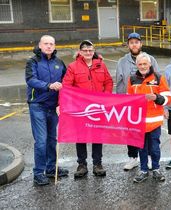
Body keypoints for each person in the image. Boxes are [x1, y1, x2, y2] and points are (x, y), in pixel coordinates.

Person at [62, 40, 113, 177]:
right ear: (80, 52)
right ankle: (82, 165)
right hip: (80, 108)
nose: (88, 52)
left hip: (97, 108)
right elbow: (66, 86)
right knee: (81, 136)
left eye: (90, 50)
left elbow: (108, 82)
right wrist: (65, 104)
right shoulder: (73, 67)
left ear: (94, 50)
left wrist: (106, 97)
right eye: (85, 50)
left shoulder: (101, 65)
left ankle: (97, 164)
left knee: (97, 136)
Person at [25, 35, 69, 186]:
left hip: (53, 107)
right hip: (37, 106)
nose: (49, 46)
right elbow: (31, 80)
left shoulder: (59, 62)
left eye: (51, 44)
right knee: (41, 141)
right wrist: (48, 85)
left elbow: (67, 81)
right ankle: (38, 173)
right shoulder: (33, 61)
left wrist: (62, 101)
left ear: (55, 46)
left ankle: (51, 168)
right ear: (40, 45)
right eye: (46, 44)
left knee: (52, 140)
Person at [116, 32, 159, 171]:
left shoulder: (150, 58)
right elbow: (119, 83)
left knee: (151, 135)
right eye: (131, 42)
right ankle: (133, 158)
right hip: (130, 105)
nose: (134, 44)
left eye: (137, 42)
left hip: (149, 106)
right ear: (128, 45)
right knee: (132, 133)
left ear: (141, 44)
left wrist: (157, 99)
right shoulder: (122, 62)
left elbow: (157, 80)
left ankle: (152, 159)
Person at [127, 53, 171, 183]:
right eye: (140, 64)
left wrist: (156, 98)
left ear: (150, 64)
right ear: (137, 65)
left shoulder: (158, 78)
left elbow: (168, 98)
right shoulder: (132, 79)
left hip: (154, 121)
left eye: (145, 64)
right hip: (139, 121)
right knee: (141, 147)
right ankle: (143, 170)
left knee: (154, 147)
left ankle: (156, 169)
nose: (142, 66)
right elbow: (129, 99)